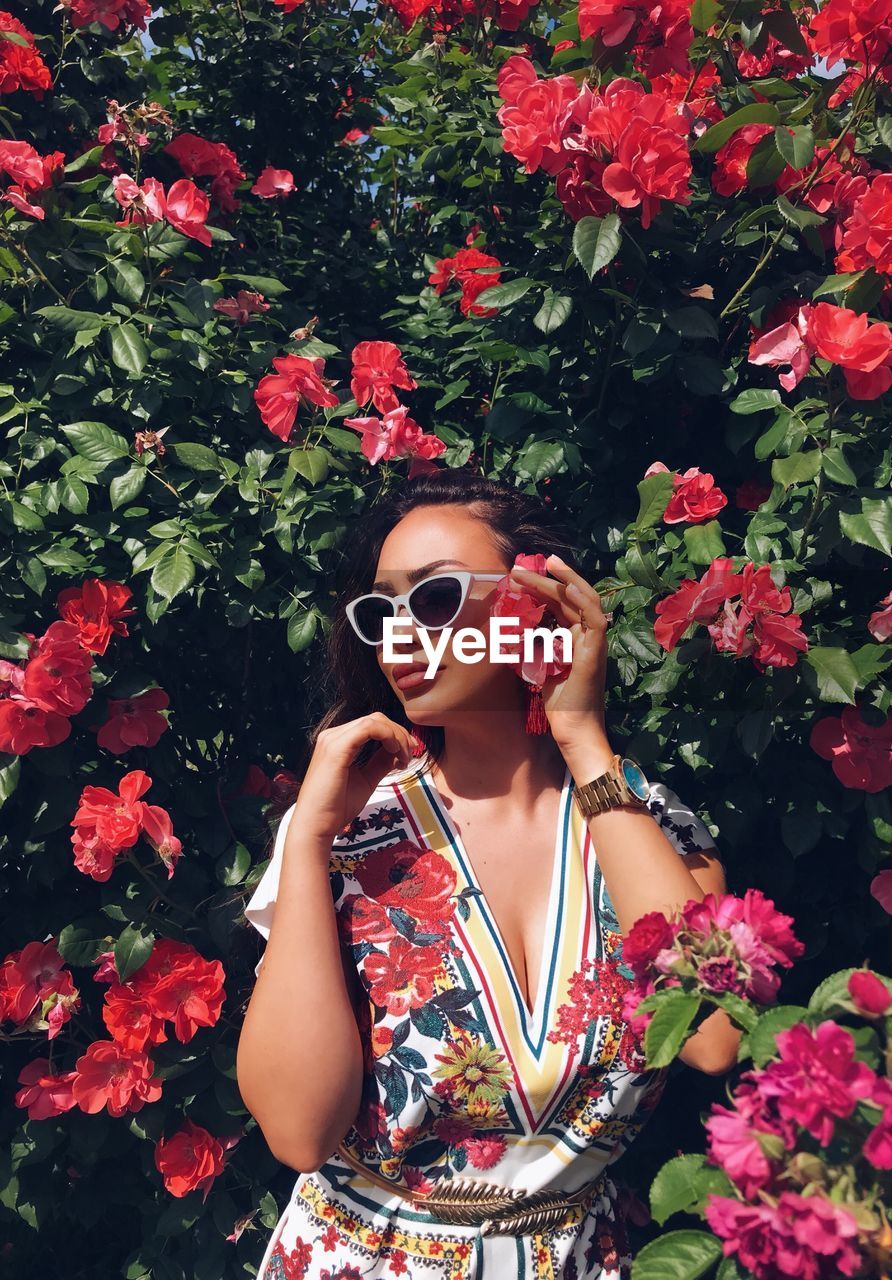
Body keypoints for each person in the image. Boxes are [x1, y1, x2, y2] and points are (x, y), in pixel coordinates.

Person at [237, 467, 740, 1280]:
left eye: (434, 599)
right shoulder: (347, 830)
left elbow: (715, 1037)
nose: (400, 632)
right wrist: (308, 841)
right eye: (381, 610)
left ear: (537, 607)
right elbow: (299, 1133)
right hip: (366, 1260)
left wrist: (582, 736)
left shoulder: (645, 823)